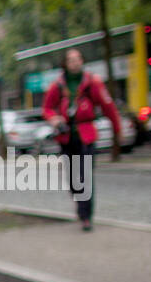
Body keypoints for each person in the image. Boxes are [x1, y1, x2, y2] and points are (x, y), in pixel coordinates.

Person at [42, 48, 121, 231]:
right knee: (72, 179)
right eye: (71, 60)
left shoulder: (92, 82)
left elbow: (108, 106)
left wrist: (117, 128)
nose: (75, 62)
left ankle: (86, 217)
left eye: (78, 59)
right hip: (66, 137)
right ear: (65, 64)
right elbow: (46, 108)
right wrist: (54, 118)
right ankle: (80, 206)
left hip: (86, 135)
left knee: (85, 177)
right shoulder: (58, 85)